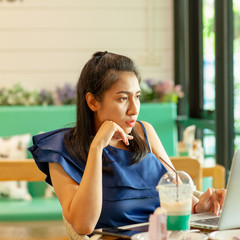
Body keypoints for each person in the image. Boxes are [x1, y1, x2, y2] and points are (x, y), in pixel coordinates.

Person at [28, 51, 226, 235]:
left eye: (137, 97)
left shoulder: (145, 132)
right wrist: (97, 148)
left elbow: (175, 196)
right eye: (123, 98)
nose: (134, 109)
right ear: (93, 102)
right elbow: (83, 225)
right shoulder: (62, 150)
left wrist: (200, 208)